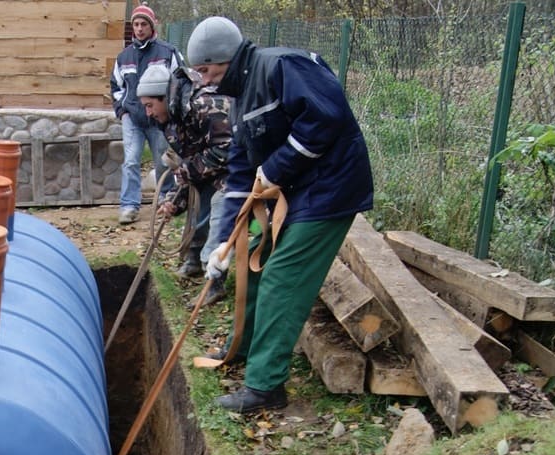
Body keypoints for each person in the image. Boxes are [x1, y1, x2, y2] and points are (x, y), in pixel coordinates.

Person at [186, 16, 374, 413]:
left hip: (329, 190)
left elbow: (326, 119)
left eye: (205, 70)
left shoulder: (283, 66)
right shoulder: (240, 99)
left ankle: (265, 387)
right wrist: (224, 243)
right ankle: (242, 346)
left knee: (281, 279)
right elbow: (241, 176)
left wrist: (276, 168)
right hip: (294, 192)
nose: (203, 80)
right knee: (249, 262)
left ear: (225, 58)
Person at [136, 62, 232, 307]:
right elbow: (190, 165)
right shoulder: (172, 118)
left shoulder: (205, 105)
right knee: (196, 204)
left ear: (164, 98)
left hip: (238, 170)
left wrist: (188, 170)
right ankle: (194, 260)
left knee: (220, 214)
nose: (148, 113)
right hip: (211, 169)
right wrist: (174, 201)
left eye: (150, 105)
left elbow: (226, 149)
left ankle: (214, 282)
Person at [109, 4, 181, 226]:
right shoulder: (124, 57)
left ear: (152, 26)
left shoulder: (168, 53)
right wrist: (122, 111)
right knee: (131, 161)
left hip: (159, 120)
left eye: (143, 24)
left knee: (163, 161)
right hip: (133, 118)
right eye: (136, 24)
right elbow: (116, 86)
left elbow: (180, 82)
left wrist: (172, 111)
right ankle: (129, 206)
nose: (139, 29)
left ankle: (165, 200)